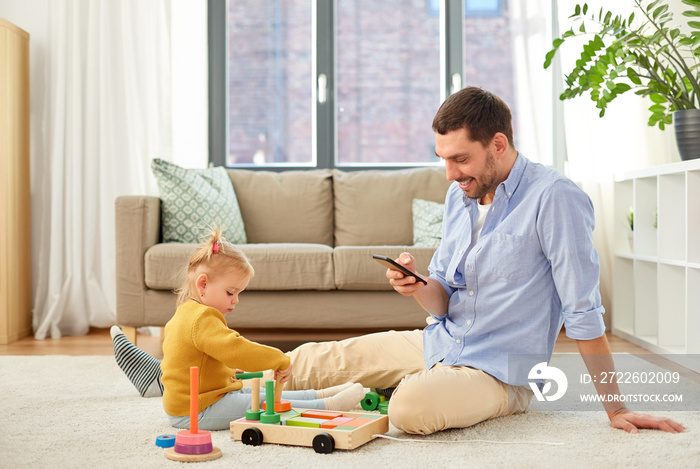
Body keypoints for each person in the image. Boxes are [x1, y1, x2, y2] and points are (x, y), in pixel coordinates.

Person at [114, 87, 684, 436]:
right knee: (316, 360)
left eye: (460, 159)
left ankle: (422, 391)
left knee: (411, 410)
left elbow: (584, 312)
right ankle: (181, 383)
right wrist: (417, 287)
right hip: (440, 343)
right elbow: (445, 296)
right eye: (442, 160)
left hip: (499, 372)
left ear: (500, 146)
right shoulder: (461, 198)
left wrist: (615, 410)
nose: (450, 174)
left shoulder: (556, 199)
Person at [111, 228, 363, 431]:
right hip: (197, 411)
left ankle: (316, 395)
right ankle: (324, 405)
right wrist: (278, 358)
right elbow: (235, 347)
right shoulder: (203, 318)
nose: (236, 300)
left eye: (238, 293)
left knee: (258, 391)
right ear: (203, 285)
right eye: (230, 292)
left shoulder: (185, 313)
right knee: (264, 403)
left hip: (201, 400)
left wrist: (229, 370)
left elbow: (204, 357)